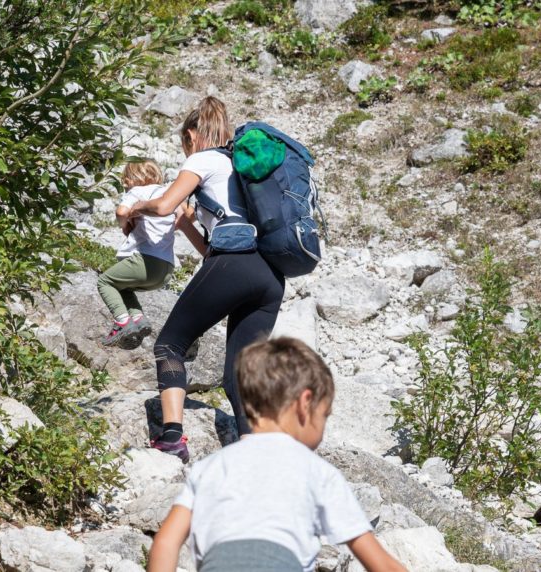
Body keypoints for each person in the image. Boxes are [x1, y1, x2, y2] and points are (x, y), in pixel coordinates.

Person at [147, 337, 407, 572]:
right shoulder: (317, 472)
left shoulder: (210, 467)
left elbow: (166, 543)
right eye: (324, 416)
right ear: (305, 404)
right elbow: (380, 563)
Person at [127, 96, 283, 461]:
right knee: (238, 372)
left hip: (236, 265)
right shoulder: (241, 167)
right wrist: (186, 225)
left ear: (192, 135)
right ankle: (253, 458)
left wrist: (137, 206)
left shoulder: (202, 159)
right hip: (270, 276)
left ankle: (172, 437)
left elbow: (164, 205)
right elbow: (212, 253)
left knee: (169, 345)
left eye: (184, 143)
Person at [96, 160, 204, 348]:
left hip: (144, 260)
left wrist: (125, 225)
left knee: (105, 282)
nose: (125, 184)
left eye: (126, 180)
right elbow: (186, 218)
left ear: (132, 179)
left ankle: (122, 323)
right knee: (124, 288)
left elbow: (121, 212)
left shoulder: (138, 192)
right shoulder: (169, 195)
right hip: (165, 269)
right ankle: (138, 320)